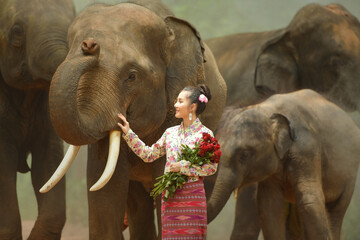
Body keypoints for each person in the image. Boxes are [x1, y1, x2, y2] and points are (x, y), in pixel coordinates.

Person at [117, 84, 218, 239]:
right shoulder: (170, 133)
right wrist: (129, 134)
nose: (175, 105)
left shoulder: (205, 135)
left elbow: (211, 167)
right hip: (170, 198)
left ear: (192, 107)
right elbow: (148, 155)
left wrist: (183, 167)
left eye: (180, 101)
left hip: (192, 198)